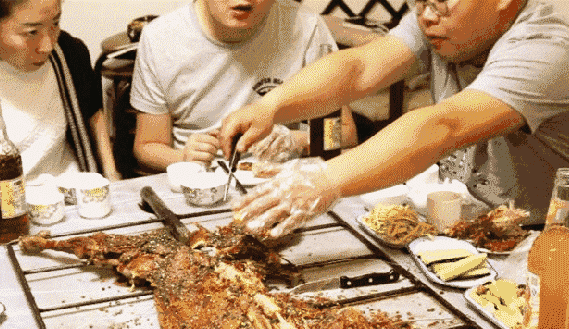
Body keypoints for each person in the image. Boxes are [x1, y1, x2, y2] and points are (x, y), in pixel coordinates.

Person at [220, 0, 569, 237]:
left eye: (438, 3)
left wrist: (323, 180)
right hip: (476, 218)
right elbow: (360, 67)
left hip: (547, 238)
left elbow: (444, 126)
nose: (426, 15)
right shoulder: (438, 18)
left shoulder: (552, 44)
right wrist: (270, 107)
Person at [129, 0, 357, 172]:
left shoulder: (306, 27)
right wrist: (182, 158)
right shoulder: (160, 38)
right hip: (202, 179)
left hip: (283, 179)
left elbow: (345, 134)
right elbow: (147, 146)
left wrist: (298, 141)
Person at [0, 0, 121, 182]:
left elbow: (93, 113)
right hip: (5, 196)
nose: (48, 46)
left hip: (74, 188)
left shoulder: (68, 52)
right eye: (32, 32)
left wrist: (112, 176)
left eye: (55, 23)